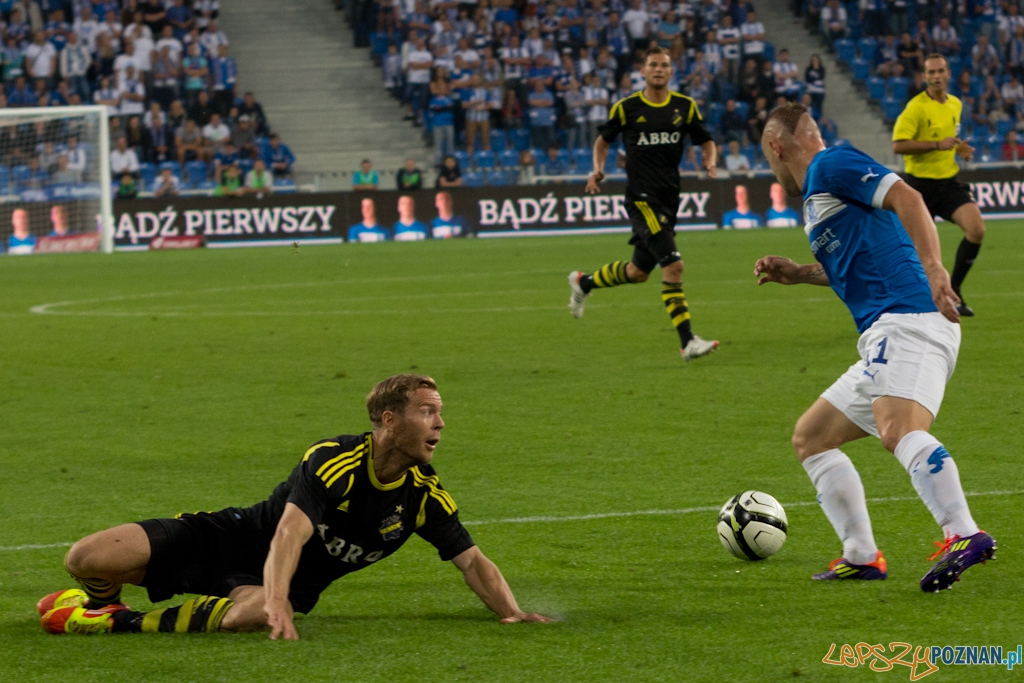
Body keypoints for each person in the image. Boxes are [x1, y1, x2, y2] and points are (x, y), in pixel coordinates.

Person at [39, 375, 554, 637]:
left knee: (260, 608)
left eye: (440, 413)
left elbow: (473, 561)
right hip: (230, 538)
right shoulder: (334, 460)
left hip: (258, 586)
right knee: (85, 558)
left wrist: (511, 613)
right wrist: (282, 598)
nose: (440, 424)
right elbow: (289, 533)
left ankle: (113, 622)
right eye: (428, 412)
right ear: (390, 420)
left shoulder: (423, 496)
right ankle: (99, 600)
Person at [754, 101, 996, 591]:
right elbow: (854, 266)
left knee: (897, 430)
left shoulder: (831, 163)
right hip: (886, 333)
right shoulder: (821, 194)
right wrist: (800, 274)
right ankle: (862, 555)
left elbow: (908, 196)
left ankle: (964, 533)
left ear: (776, 147)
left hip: (908, 321)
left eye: (768, 155)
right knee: (812, 438)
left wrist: (933, 269)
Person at [571, 46, 719, 362]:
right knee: (674, 265)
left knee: (638, 272)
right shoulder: (627, 108)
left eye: (665, 65)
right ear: (643, 71)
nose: (659, 69)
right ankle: (688, 342)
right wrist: (597, 168)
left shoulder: (685, 106)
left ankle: (584, 282)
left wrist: (710, 158)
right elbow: (602, 140)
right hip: (641, 200)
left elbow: (705, 138)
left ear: (671, 71)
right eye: (653, 65)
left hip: (669, 199)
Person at [892, 54, 987, 317]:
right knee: (913, 254)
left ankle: (954, 289)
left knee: (976, 230)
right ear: (924, 77)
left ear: (948, 74)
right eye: (930, 72)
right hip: (918, 188)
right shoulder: (916, 107)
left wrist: (960, 149)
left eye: (940, 71)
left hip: (948, 182)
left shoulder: (955, 104)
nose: (935, 76)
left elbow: (949, 139)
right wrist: (936, 145)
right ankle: (906, 304)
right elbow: (898, 144)